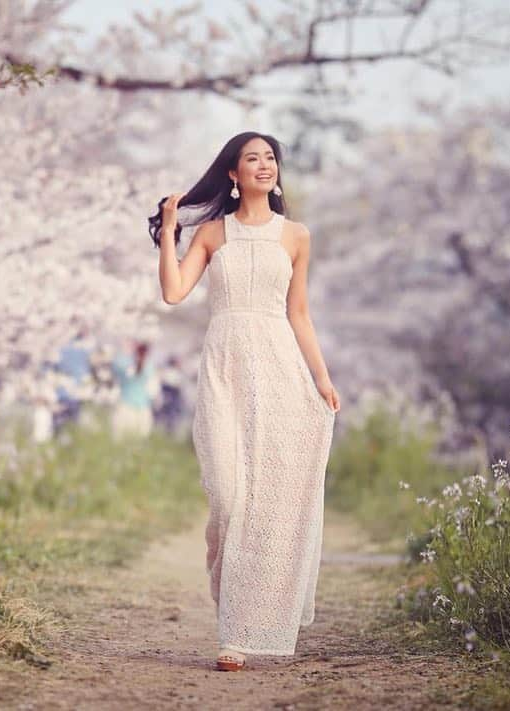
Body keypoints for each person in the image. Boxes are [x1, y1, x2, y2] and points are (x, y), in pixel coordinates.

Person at [150, 131, 341, 672]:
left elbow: (298, 314)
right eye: (252, 158)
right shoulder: (213, 233)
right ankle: (225, 577)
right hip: (225, 368)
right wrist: (169, 232)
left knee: (270, 500)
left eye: (271, 158)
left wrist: (322, 380)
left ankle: (236, 634)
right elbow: (173, 291)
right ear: (232, 175)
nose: (265, 165)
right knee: (228, 498)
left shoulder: (296, 236)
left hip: (278, 366)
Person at [109, 340, 159, 439]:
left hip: (127, 404)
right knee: (138, 438)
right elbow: (153, 389)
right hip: (141, 406)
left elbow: (115, 368)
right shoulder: (149, 366)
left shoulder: (124, 363)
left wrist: (125, 351)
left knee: (121, 437)